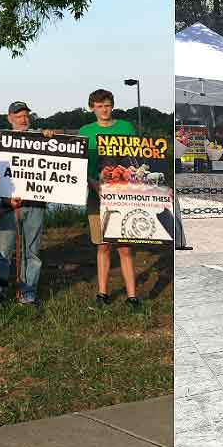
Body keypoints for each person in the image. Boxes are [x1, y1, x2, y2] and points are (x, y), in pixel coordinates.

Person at [78, 89, 139, 310]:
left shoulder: (126, 128)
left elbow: (136, 158)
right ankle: (102, 293)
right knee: (102, 245)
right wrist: (92, 183)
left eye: (107, 105)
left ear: (112, 106)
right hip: (97, 193)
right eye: (99, 105)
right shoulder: (85, 131)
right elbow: (78, 164)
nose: (104, 109)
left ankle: (132, 295)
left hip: (123, 195)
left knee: (125, 246)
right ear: (92, 107)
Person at [0, 101, 54, 307]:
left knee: (33, 252)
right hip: (9, 205)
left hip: (36, 203)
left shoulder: (41, 139)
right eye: (18, 116)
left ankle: (28, 294)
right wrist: (4, 199)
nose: (23, 119)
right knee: (3, 252)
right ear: (9, 118)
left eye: (26, 115)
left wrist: (51, 138)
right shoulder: (0, 143)